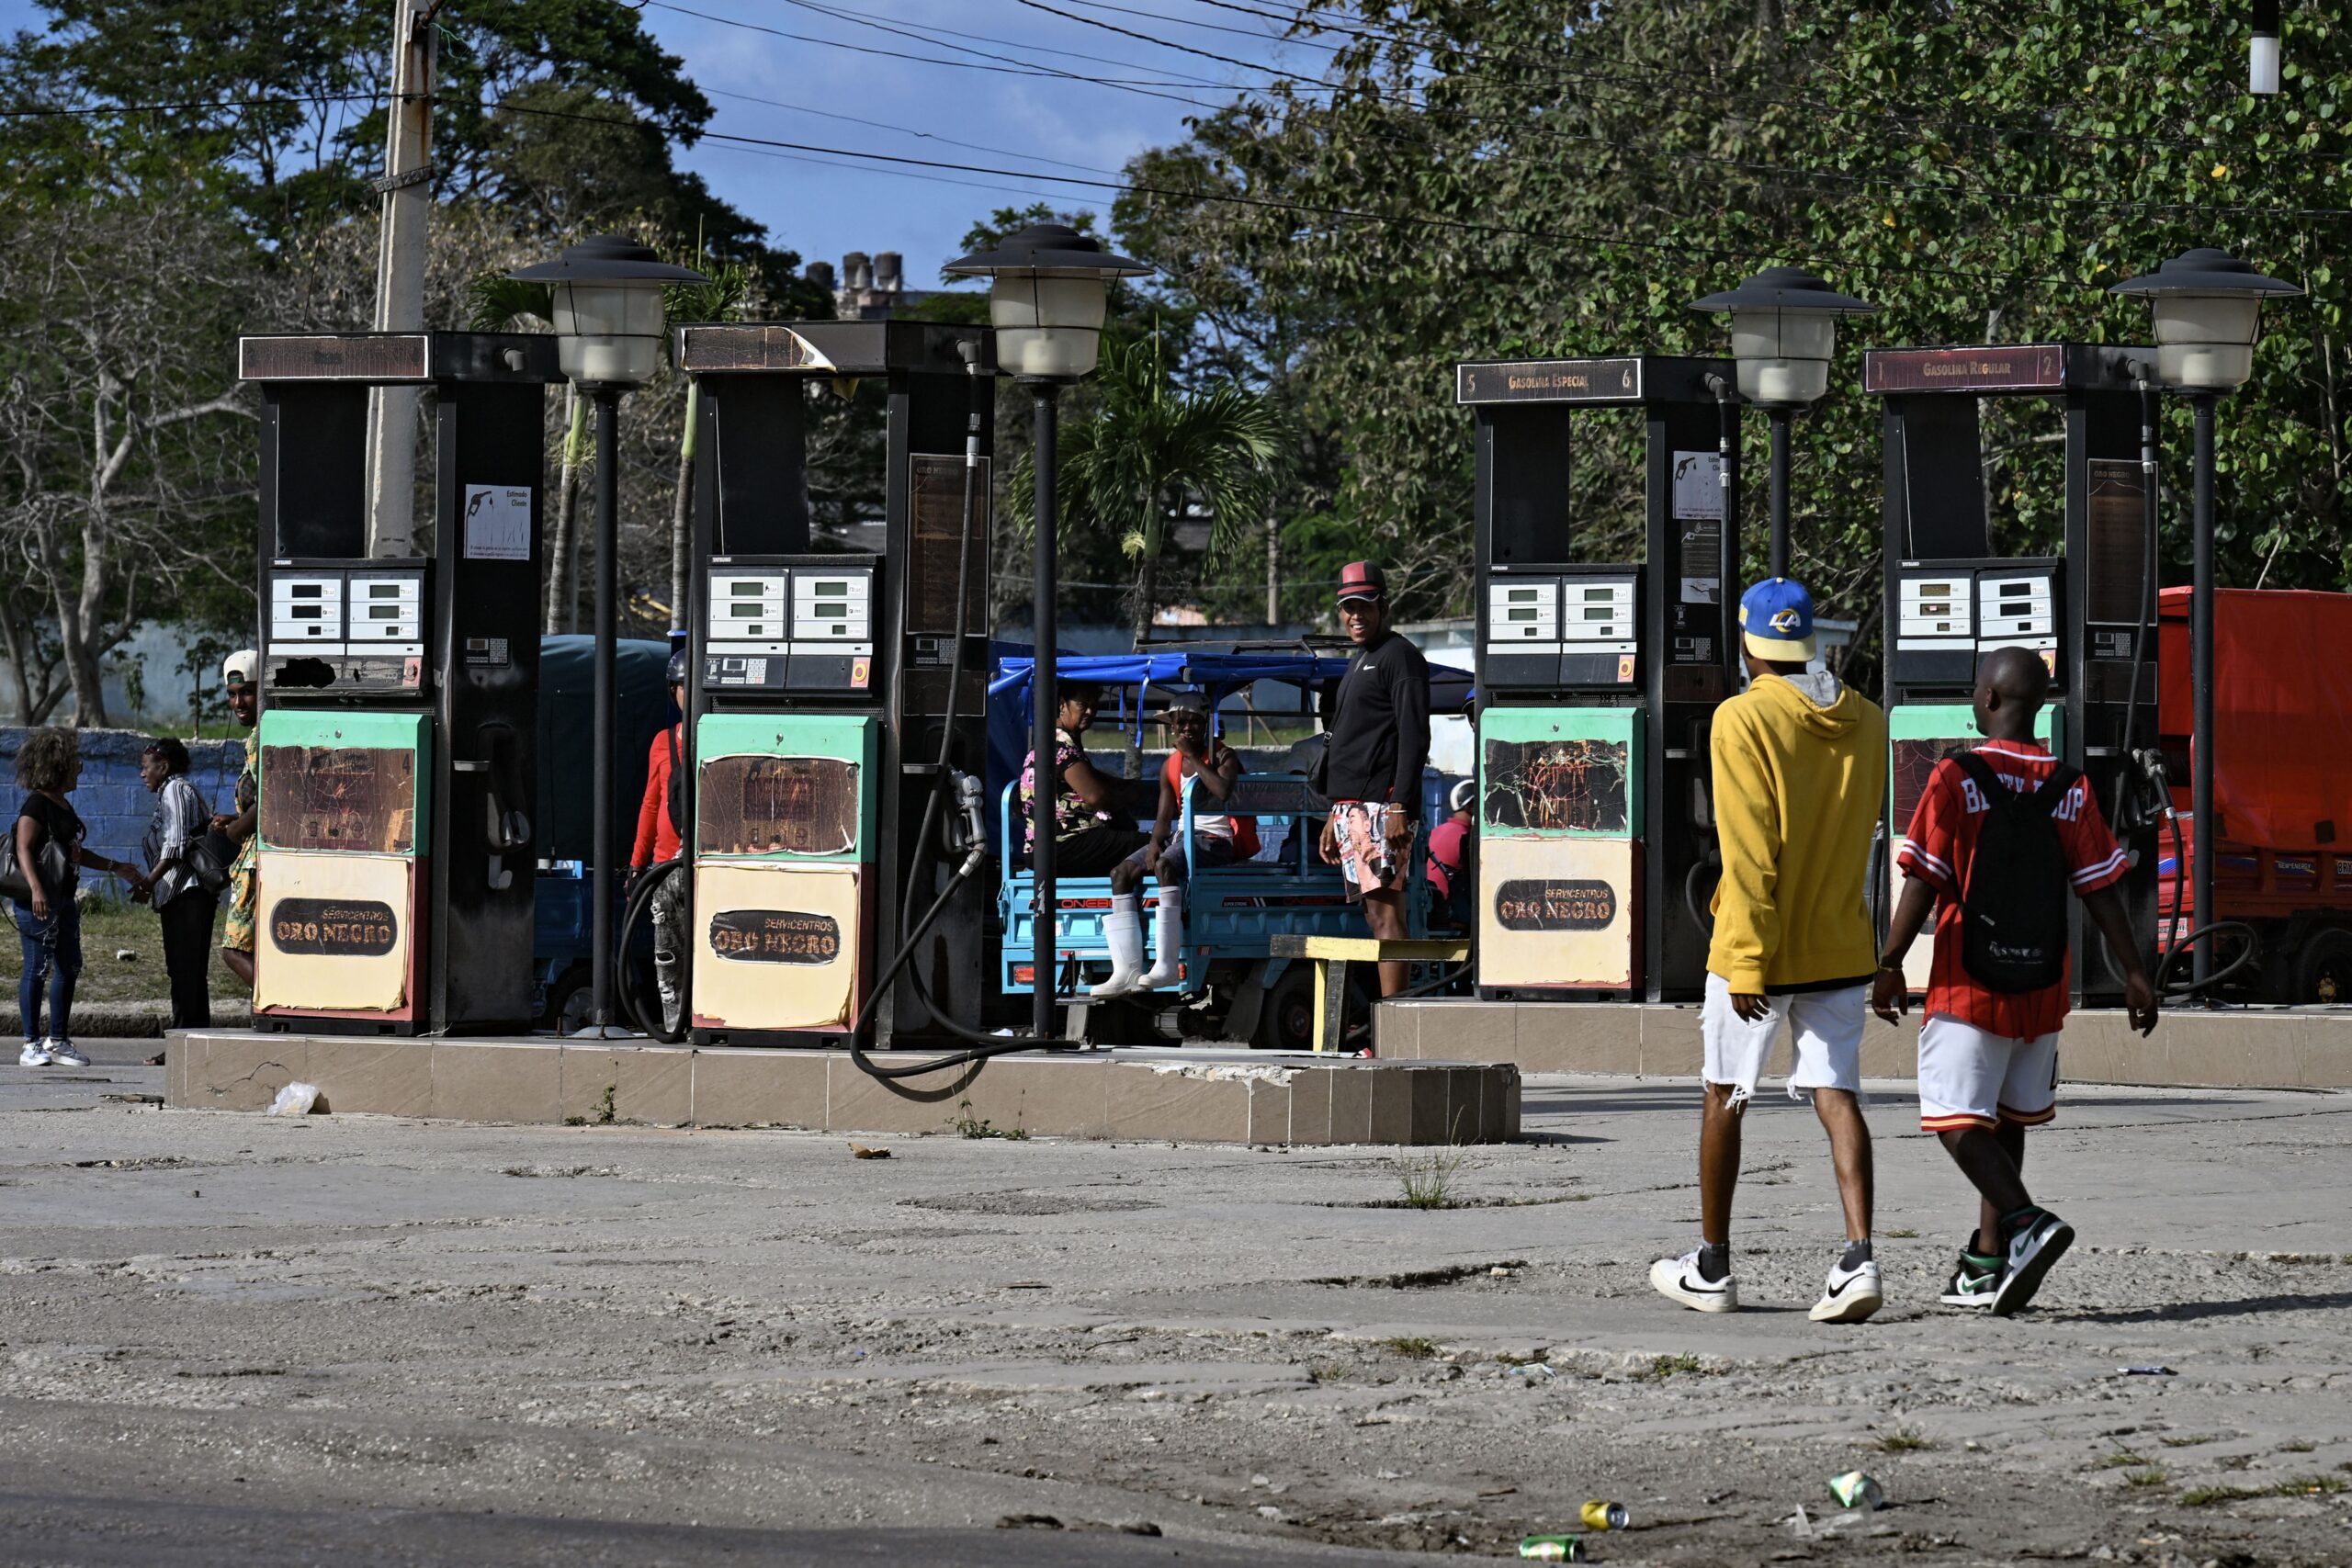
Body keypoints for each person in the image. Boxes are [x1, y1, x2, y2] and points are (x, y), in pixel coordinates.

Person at [1872, 646, 2159, 1315]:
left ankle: (2027, 1223)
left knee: (1953, 1119)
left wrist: (1889, 962)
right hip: (2041, 988)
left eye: (1977, 689)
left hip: (1967, 985)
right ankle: (1987, 1260)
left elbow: (1923, 878)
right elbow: (2101, 890)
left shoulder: (1955, 776)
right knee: (2008, 1119)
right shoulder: (2071, 787)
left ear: (1992, 699)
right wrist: (2135, 972)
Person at [1650, 579, 1889, 1323]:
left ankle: (1712, 1265)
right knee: (1837, 1093)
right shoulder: (1869, 720)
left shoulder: (1741, 717)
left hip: (1759, 946)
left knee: (1725, 1093)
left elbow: (1750, 849)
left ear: (1747, 646)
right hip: (1841, 941)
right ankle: (1858, 1258)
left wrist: (1748, 955)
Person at [1316, 561, 1431, 1000]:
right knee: (1373, 914)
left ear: (1384, 606)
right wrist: (1336, 813)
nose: (1355, 616)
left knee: (1386, 914)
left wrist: (1400, 804)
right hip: (1353, 808)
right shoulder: (1361, 658)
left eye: (1364, 606)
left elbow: (1414, 735)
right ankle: (1390, 1012)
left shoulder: (1399, 656)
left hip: (1382, 807)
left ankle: (1395, 1016)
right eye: (1348, 607)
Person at [1095, 692, 1256, 997]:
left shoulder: (1223, 755)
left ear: (1205, 725)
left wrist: (1193, 757)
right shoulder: (1170, 765)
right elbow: (1164, 816)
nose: (1187, 729)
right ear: (1172, 727)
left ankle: (1167, 965)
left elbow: (1222, 791)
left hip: (1216, 839)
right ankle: (1126, 969)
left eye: (1194, 722)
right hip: (1182, 837)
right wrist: (1155, 842)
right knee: (1120, 873)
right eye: (1180, 723)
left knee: (1165, 865)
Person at [12, 728, 144, 1068]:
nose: (80, 769)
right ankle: (30, 1043)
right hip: (40, 902)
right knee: (37, 968)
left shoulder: (62, 805)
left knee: (69, 967)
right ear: (57, 767)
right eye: (74, 763)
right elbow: (23, 848)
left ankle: (58, 1040)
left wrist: (115, 867)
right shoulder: (36, 804)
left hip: (64, 900)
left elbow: (74, 853)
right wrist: (37, 889)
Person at [134, 738, 216, 1030]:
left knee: (186, 971)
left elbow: (175, 845)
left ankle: (185, 1038)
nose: (142, 774)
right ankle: (191, 1038)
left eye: (146, 767)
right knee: (185, 971)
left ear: (164, 767)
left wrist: (147, 883)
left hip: (187, 895)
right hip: (179, 896)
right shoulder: (172, 791)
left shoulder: (176, 790)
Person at [630, 649, 691, 1032]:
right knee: (668, 954)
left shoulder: (718, 738)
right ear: (674, 691)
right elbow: (651, 803)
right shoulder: (662, 742)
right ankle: (673, 1026)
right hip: (665, 867)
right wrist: (637, 864)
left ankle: (702, 1019)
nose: (688, 692)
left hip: (704, 865)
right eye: (682, 686)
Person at [211, 650, 261, 989]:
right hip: (257, 854)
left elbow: (270, 799)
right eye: (232, 695)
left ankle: (277, 1004)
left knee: (234, 951)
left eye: (246, 693)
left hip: (255, 860)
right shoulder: (258, 733)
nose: (238, 703)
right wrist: (236, 817)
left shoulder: (260, 737)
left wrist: (234, 831)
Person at [1425, 778, 1476, 928]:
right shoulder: (1466, 837)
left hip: (1430, 909)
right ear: (1471, 807)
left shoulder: (1435, 831)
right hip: (1453, 914)